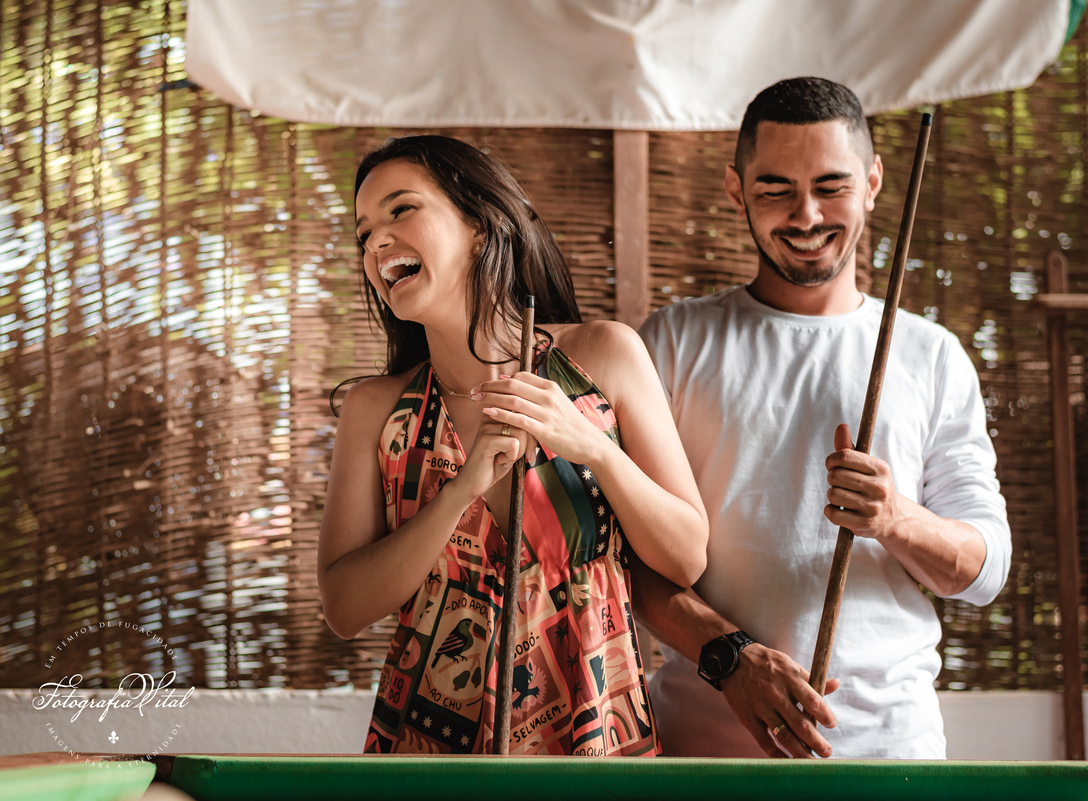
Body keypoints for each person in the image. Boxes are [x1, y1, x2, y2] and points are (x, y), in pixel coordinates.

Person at [634, 77, 1011, 760]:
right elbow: (629, 560)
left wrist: (895, 516)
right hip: (702, 755)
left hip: (890, 756)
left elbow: (983, 570)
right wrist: (731, 656)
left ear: (872, 181)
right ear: (734, 188)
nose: (805, 214)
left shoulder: (931, 354)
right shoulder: (672, 343)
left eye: (831, 186)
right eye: (775, 189)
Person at [318, 135, 708, 756]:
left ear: (479, 226)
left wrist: (594, 448)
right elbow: (343, 607)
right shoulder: (377, 411)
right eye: (364, 232)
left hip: (595, 743)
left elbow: (687, 557)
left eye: (400, 211)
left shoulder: (603, 359)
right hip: (428, 753)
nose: (376, 242)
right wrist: (461, 490)